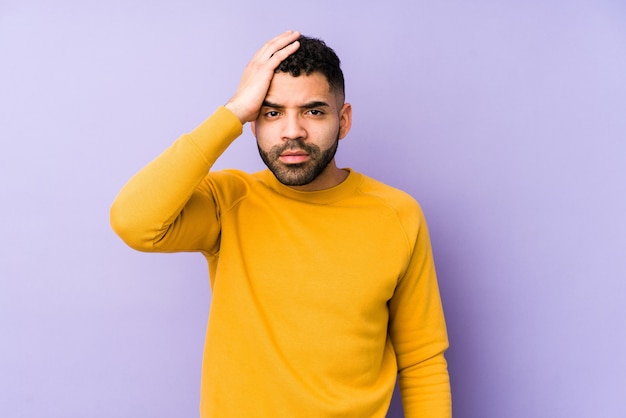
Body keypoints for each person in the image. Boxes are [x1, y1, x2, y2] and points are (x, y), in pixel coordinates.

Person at [110, 30, 451, 417]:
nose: (292, 132)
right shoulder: (229, 201)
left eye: (313, 111)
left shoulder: (398, 214)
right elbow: (133, 221)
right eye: (272, 113)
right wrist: (233, 112)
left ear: (344, 120)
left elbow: (422, 362)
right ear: (254, 123)